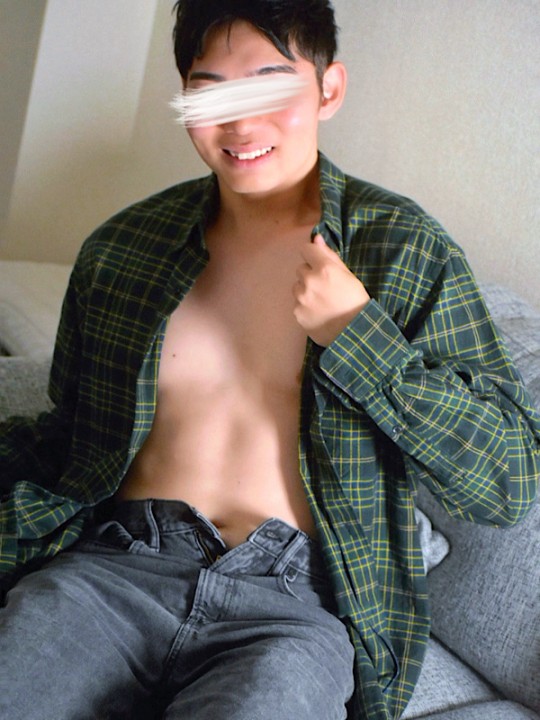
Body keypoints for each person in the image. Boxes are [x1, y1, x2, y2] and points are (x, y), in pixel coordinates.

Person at [1, 1, 539, 718]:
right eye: (211, 91)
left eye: (271, 85)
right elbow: (68, 436)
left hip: (291, 605)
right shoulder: (121, 249)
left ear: (328, 88)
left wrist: (358, 335)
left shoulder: (403, 249)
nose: (241, 123)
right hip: (113, 571)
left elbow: (507, 482)